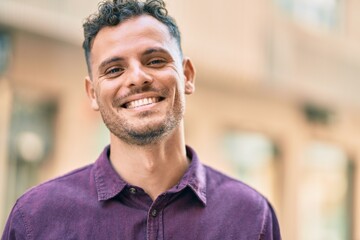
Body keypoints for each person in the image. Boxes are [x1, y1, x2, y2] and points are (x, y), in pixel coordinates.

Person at [2, 0, 281, 239]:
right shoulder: (35, 219)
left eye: (156, 60)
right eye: (114, 69)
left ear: (187, 76)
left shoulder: (251, 216)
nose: (137, 78)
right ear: (92, 94)